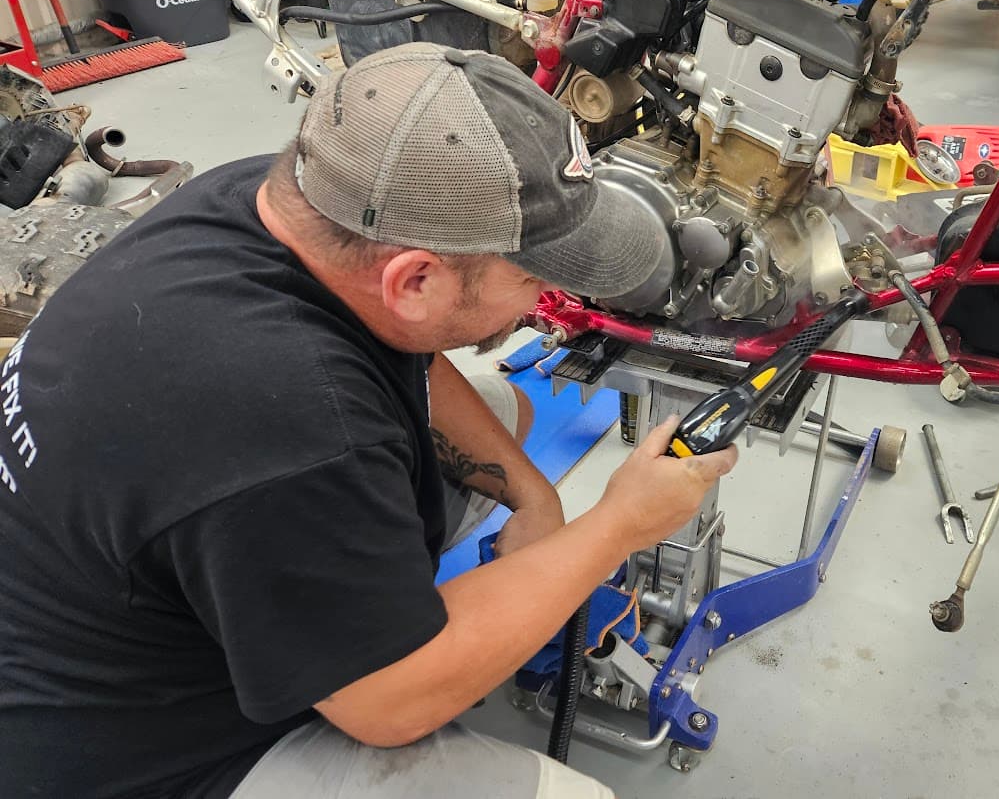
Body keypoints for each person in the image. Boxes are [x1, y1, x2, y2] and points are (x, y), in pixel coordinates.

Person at [0, 42, 737, 798]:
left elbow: (408, 358)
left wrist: (532, 495)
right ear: (414, 279)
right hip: (122, 754)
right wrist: (616, 525)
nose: (542, 303)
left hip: (125, 581)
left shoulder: (288, 199)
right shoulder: (289, 426)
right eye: (532, 277)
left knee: (503, 410)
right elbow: (390, 706)